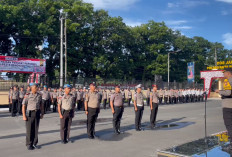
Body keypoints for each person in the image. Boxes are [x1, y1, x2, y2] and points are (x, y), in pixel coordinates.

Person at [22, 83, 44, 150]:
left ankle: (34, 143)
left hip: (37, 113)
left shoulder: (39, 95)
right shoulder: (27, 95)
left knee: (36, 129)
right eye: (35, 87)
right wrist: (24, 115)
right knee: (29, 130)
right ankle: (29, 144)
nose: (37, 88)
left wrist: (42, 113)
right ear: (32, 88)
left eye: (37, 87)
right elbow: (24, 105)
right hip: (30, 114)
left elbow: (41, 105)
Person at [215, 68, 232, 153]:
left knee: (229, 125)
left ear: (228, 73)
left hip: (228, 105)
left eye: (224, 73)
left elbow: (228, 93)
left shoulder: (227, 81)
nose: (223, 74)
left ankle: (231, 146)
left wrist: (219, 91)